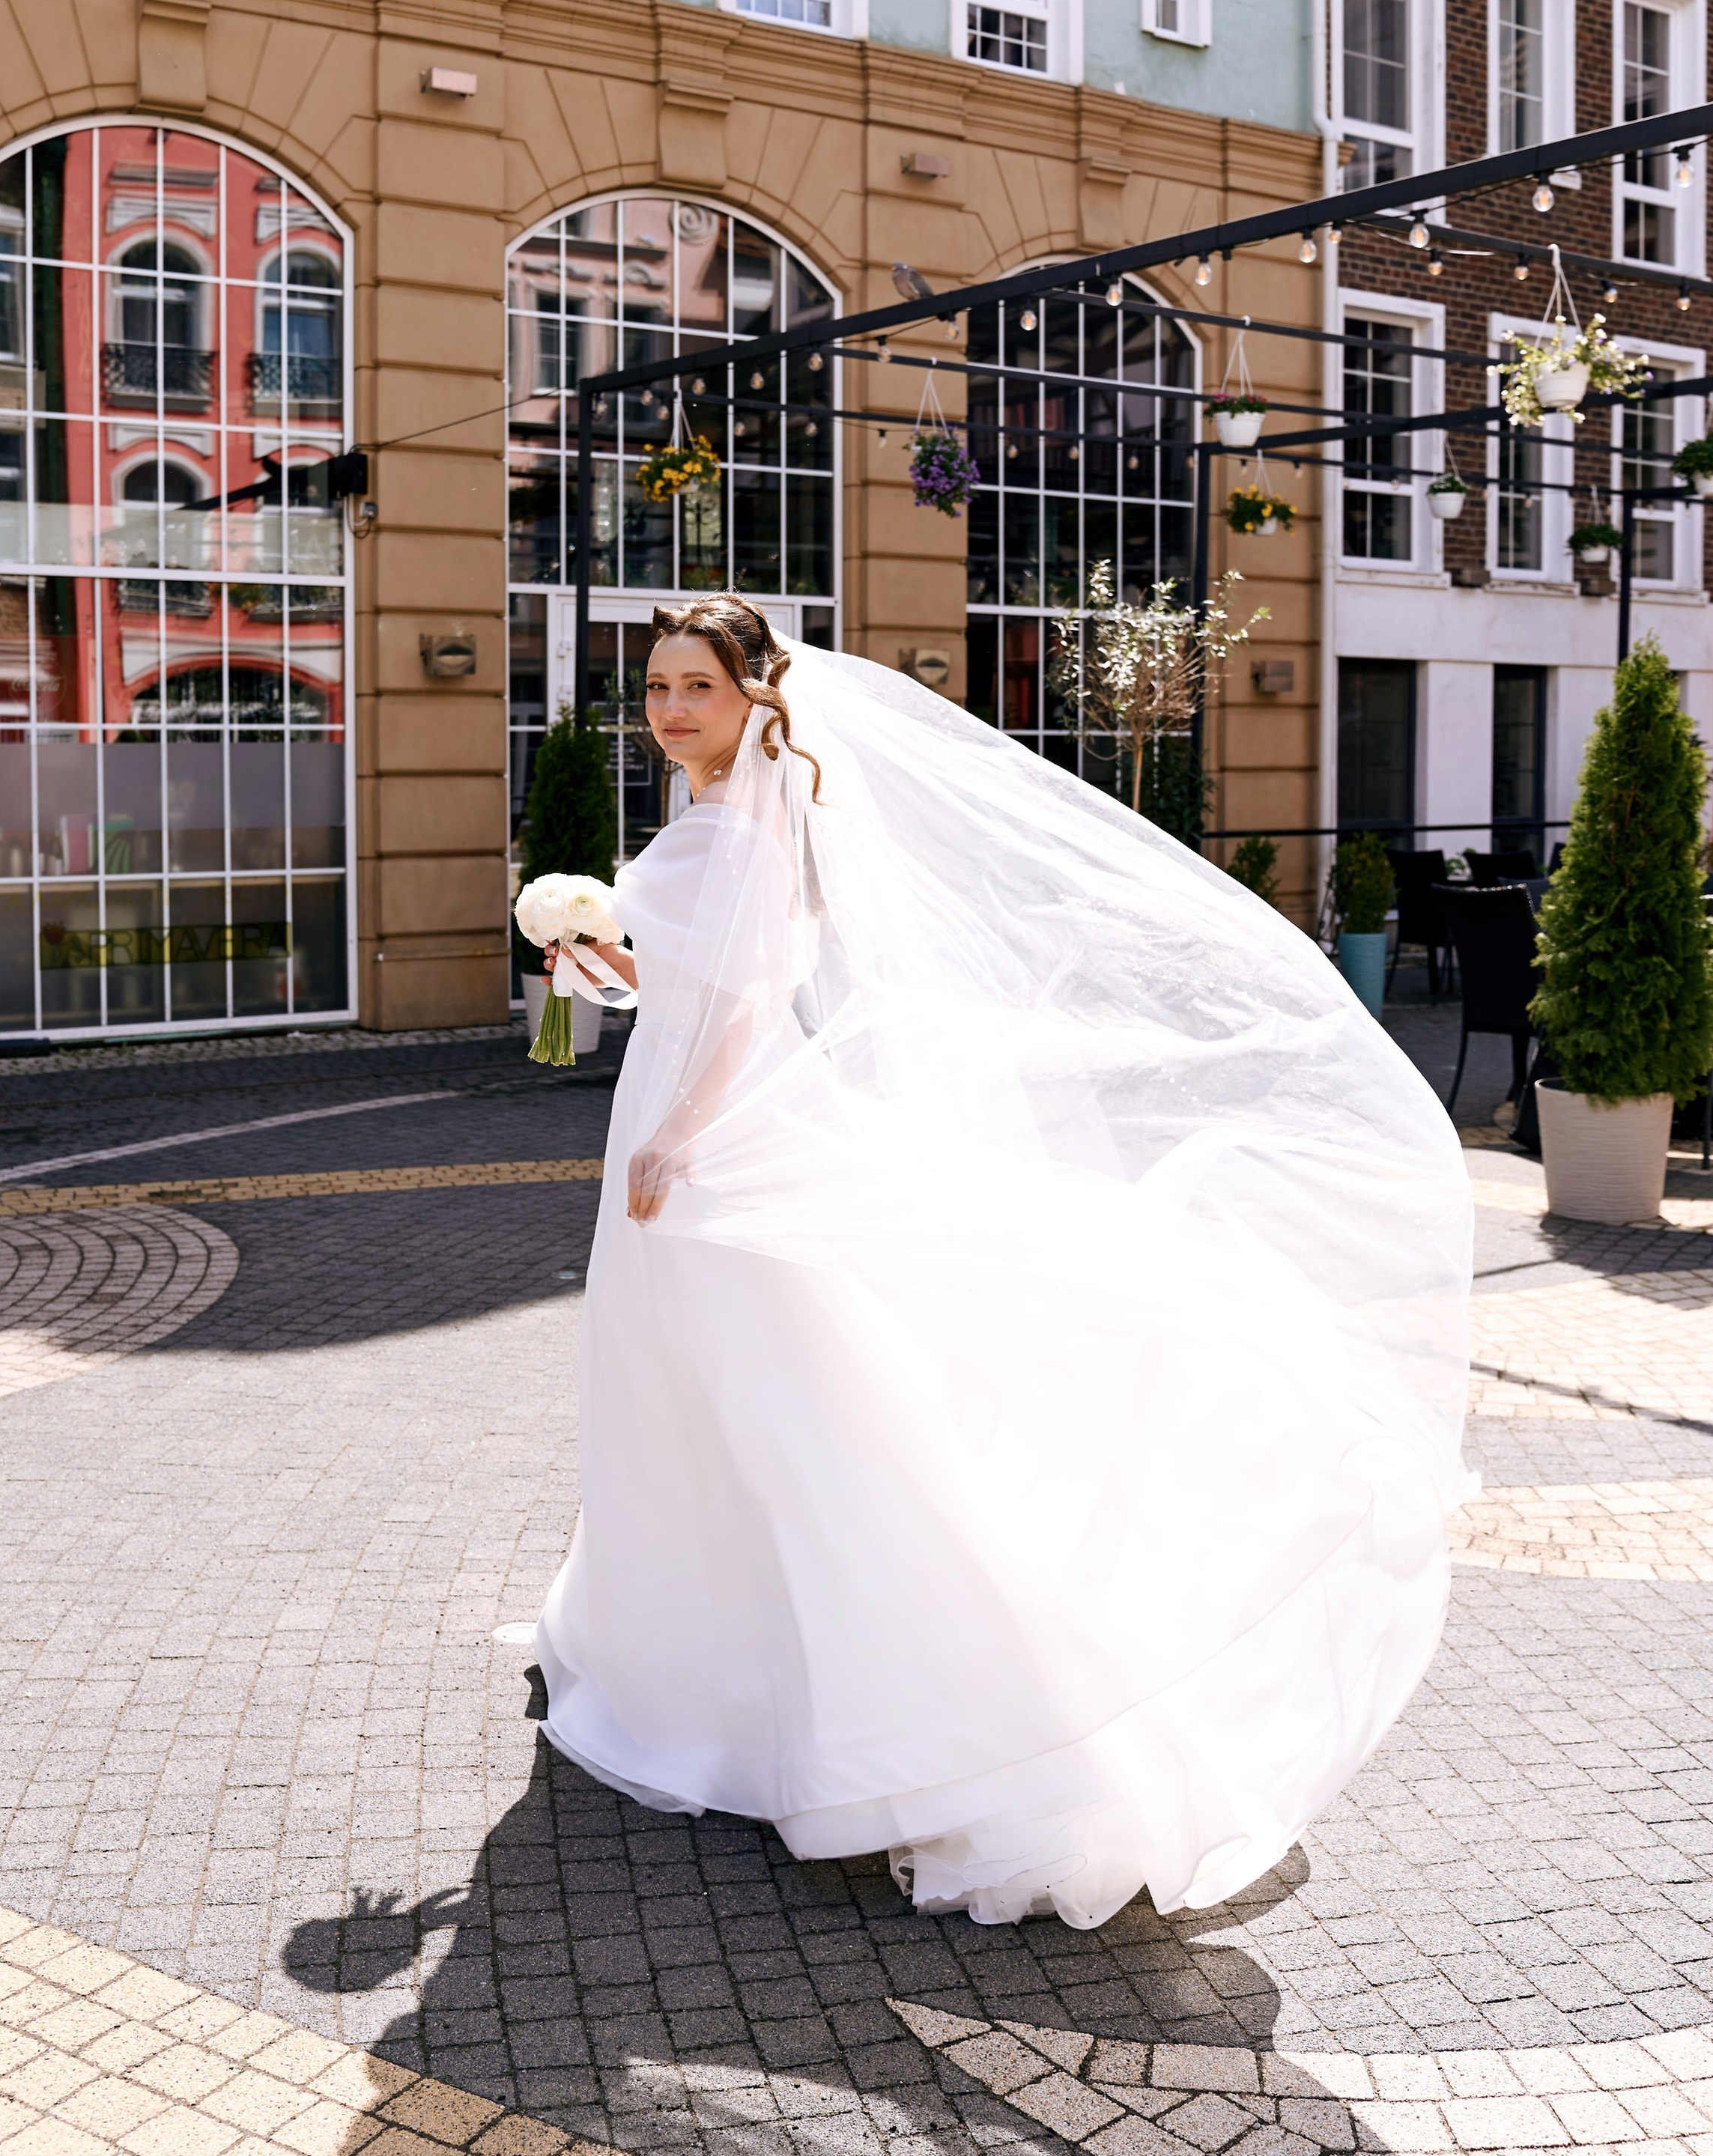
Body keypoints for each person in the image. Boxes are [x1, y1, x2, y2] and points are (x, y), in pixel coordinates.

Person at [536, 595, 1473, 1930]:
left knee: (783, 1404)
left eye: (698, 685)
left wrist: (682, 1135)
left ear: (756, 698)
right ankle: (695, 1652)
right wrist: (601, 954)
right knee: (695, 1391)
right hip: (684, 1113)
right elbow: (692, 977)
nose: (671, 706)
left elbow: (747, 1007)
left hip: (711, 1130)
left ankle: (893, 1694)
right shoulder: (709, 811)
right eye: (658, 685)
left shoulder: (753, 813)